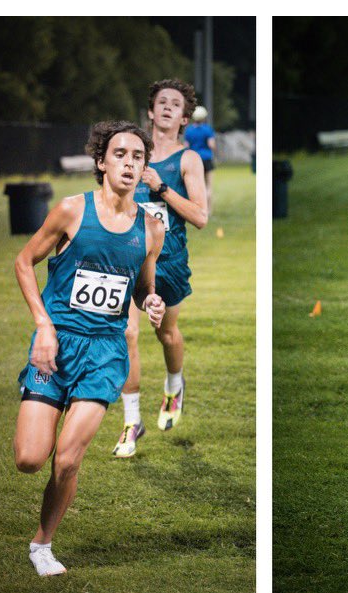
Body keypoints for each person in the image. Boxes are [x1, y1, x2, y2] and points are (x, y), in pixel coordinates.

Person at [13, 121, 165, 576]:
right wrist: (43, 324)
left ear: (144, 167)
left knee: (68, 458)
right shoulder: (70, 210)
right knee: (29, 459)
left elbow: (141, 288)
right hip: (55, 347)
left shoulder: (151, 229)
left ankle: (42, 544)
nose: (129, 164)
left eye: (138, 157)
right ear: (101, 162)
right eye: (120, 154)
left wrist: (151, 301)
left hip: (105, 353)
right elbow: (23, 262)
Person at [112, 79, 208, 459]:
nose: (167, 107)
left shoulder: (187, 160)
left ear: (184, 117)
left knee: (166, 333)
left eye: (176, 104)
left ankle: (173, 385)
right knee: (127, 334)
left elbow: (200, 216)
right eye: (161, 102)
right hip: (126, 258)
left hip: (168, 262)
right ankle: (132, 421)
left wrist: (162, 187)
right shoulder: (130, 152)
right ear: (150, 111)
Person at [184, 105, 216, 209]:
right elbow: (211, 145)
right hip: (206, 159)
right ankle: (208, 210)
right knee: (208, 185)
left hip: (194, 160)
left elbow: (186, 147)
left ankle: (197, 208)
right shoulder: (207, 129)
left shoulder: (189, 130)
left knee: (196, 186)